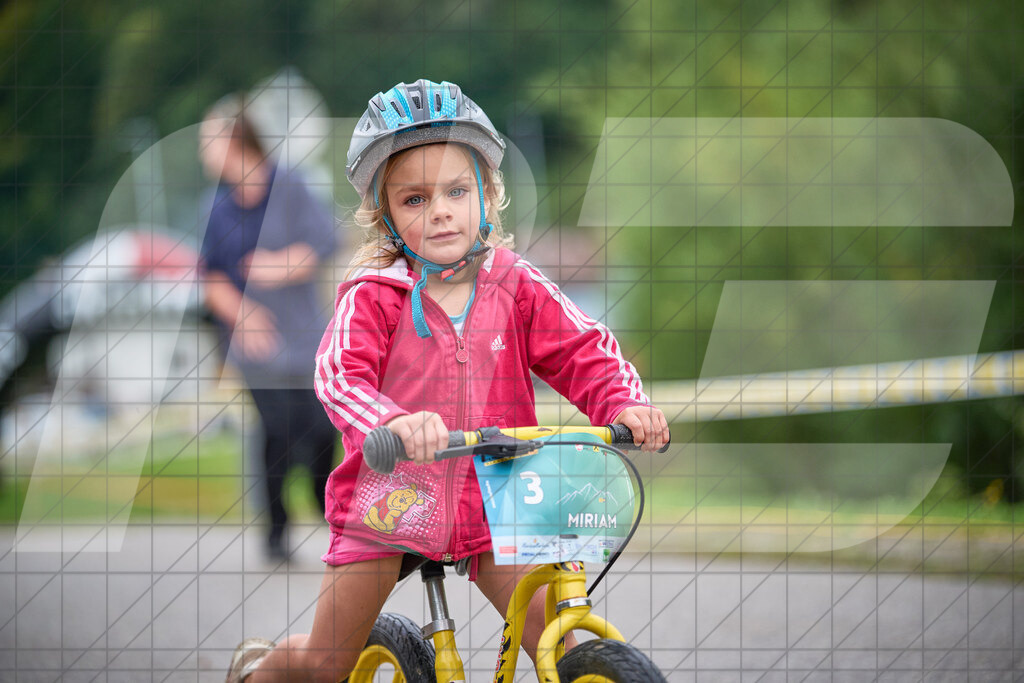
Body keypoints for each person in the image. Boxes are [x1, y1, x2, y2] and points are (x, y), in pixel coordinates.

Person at [225, 79, 669, 682]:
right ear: (383, 213)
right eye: (414, 199)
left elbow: (581, 347)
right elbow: (338, 376)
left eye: (457, 190)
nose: (439, 210)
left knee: (557, 649)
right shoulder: (374, 293)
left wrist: (624, 401)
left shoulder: (516, 284)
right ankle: (263, 670)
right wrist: (392, 422)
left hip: (497, 497)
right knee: (326, 665)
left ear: (487, 194)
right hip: (390, 501)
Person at [199, 96, 339, 561]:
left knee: (319, 428)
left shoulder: (290, 184)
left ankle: (325, 502)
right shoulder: (217, 207)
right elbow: (211, 277)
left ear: (235, 140)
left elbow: (325, 241)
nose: (203, 149)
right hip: (253, 347)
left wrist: (281, 265)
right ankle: (276, 532)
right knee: (275, 429)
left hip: (302, 338)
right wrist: (244, 313)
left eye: (208, 139)